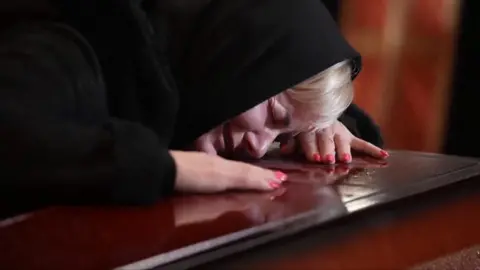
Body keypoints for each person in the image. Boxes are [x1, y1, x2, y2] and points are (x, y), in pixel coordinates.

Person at [0, 0, 386, 218]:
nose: (257, 148)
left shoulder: (192, 68)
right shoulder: (74, 43)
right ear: (238, 55)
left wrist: (319, 126)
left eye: (281, 136)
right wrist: (166, 168)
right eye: (274, 117)